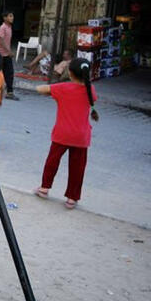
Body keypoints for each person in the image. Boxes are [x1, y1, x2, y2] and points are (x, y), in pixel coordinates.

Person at [34, 58, 99, 210]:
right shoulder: (91, 89)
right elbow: (90, 99)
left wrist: (51, 89)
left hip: (62, 134)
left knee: (52, 161)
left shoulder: (63, 88)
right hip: (81, 136)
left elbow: (40, 89)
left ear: (70, 73)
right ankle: (72, 198)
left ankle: (44, 188)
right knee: (78, 168)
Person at [0, 10, 19, 100]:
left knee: (9, 73)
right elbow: (1, 40)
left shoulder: (9, 27)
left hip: (5, 54)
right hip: (0, 53)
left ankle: (9, 92)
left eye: (12, 16)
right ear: (5, 18)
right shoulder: (3, 27)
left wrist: (8, 51)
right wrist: (9, 51)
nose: (12, 18)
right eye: (10, 16)